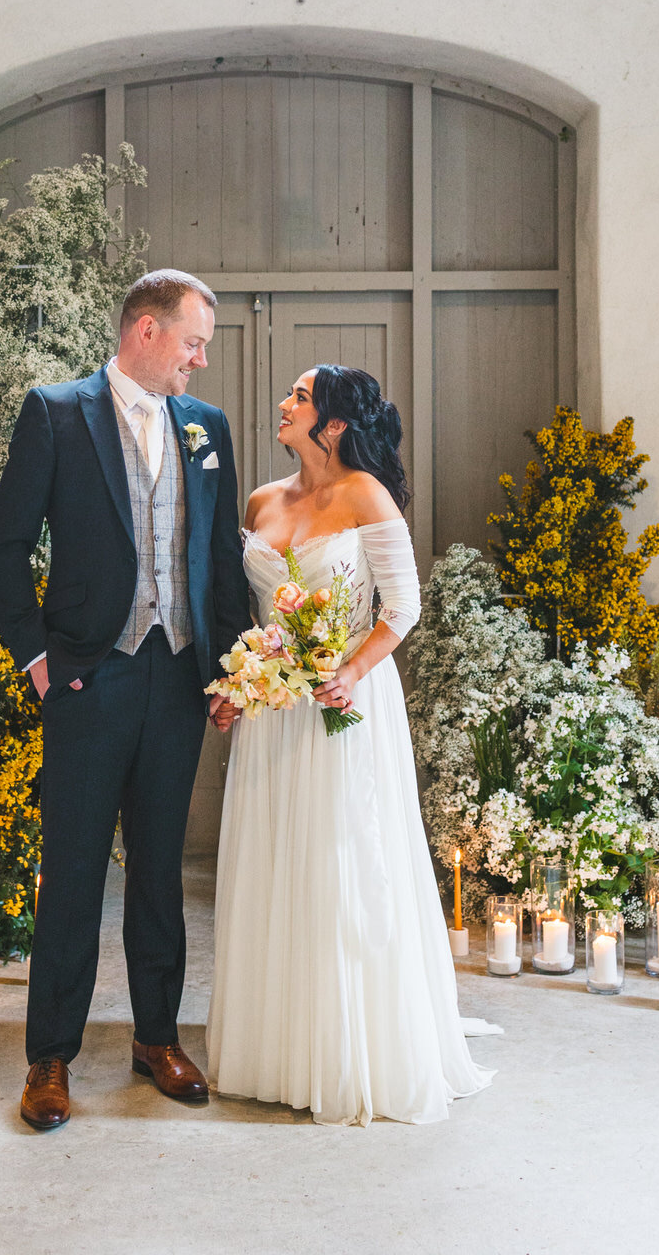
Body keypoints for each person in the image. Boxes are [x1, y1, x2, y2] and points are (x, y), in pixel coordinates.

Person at [0, 269, 250, 1130]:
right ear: (144, 329)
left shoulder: (207, 428)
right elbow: (4, 546)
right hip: (88, 678)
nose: (201, 360)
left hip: (176, 677)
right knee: (74, 874)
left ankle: (156, 1037)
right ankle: (50, 1057)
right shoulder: (56, 411)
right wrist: (36, 659)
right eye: (193, 341)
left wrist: (230, 670)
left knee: (161, 870)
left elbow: (215, 562)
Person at [206, 364, 495, 1126]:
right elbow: (249, 615)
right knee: (278, 861)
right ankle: (274, 1047)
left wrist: (350, 673)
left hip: (346, 704)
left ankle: (351, 1048)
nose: (283, 403)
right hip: (275, 714)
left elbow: (403, 606)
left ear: (332, 423)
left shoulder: (366, 495)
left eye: (299, 397)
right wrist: (240, 687)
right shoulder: (263, 500)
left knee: (344, 862)